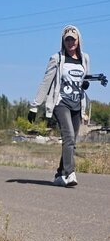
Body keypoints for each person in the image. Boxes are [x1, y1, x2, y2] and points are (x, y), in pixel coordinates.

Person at [29, 25, 90, 187]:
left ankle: (59, 174)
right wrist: (35, 105)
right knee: (68, 137)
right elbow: (46, 81)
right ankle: (70, 173)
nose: (70, 42)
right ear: (63, 41)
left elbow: (84, 78)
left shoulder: (84, 58)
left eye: (73, 39)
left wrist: (85, 83)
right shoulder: (57, 58)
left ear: (78, 41)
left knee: (72, 141)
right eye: (67, 39)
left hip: (77, 104)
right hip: (60, 103)